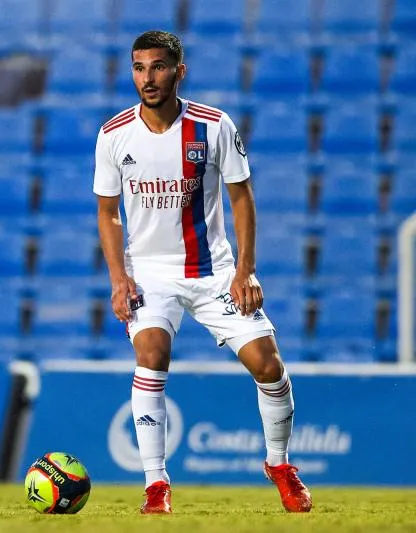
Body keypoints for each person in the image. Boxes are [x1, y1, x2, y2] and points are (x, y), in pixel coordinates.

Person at [93, 31, 312, 515]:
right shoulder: (113, 134)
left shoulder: (213, 126)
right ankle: (156, 484)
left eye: (158, 67)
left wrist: (246, 271)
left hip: (214, 272)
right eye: (139, 68)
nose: (148, 78)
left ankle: (279, 465)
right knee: (152, 354)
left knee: (268, 366)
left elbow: (241, 198)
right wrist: (119, 279)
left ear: (180, 71)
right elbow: (108, 213)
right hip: (150, 273)